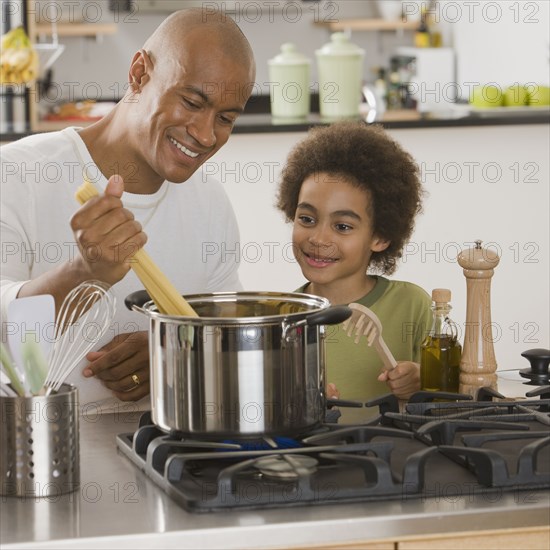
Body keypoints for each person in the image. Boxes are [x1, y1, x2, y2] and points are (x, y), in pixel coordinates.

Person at [0, 9, 256, 411]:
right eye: (191, 102)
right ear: (139, 73)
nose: (206, 135)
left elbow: (228, 341)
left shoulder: (210, 204)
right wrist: (85, 274)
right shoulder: (18, 172)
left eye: (225, 118)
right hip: (35, 449)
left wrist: (172, 353)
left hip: (159, 454)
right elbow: (6, 335)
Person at [276, 121, 432, 423]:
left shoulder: (412, 306)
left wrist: (421, 382)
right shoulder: (281, 317)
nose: (319, 239)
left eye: (342, 226)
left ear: (381, 236)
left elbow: (453, 397)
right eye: (306, 218)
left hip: (396, 463)